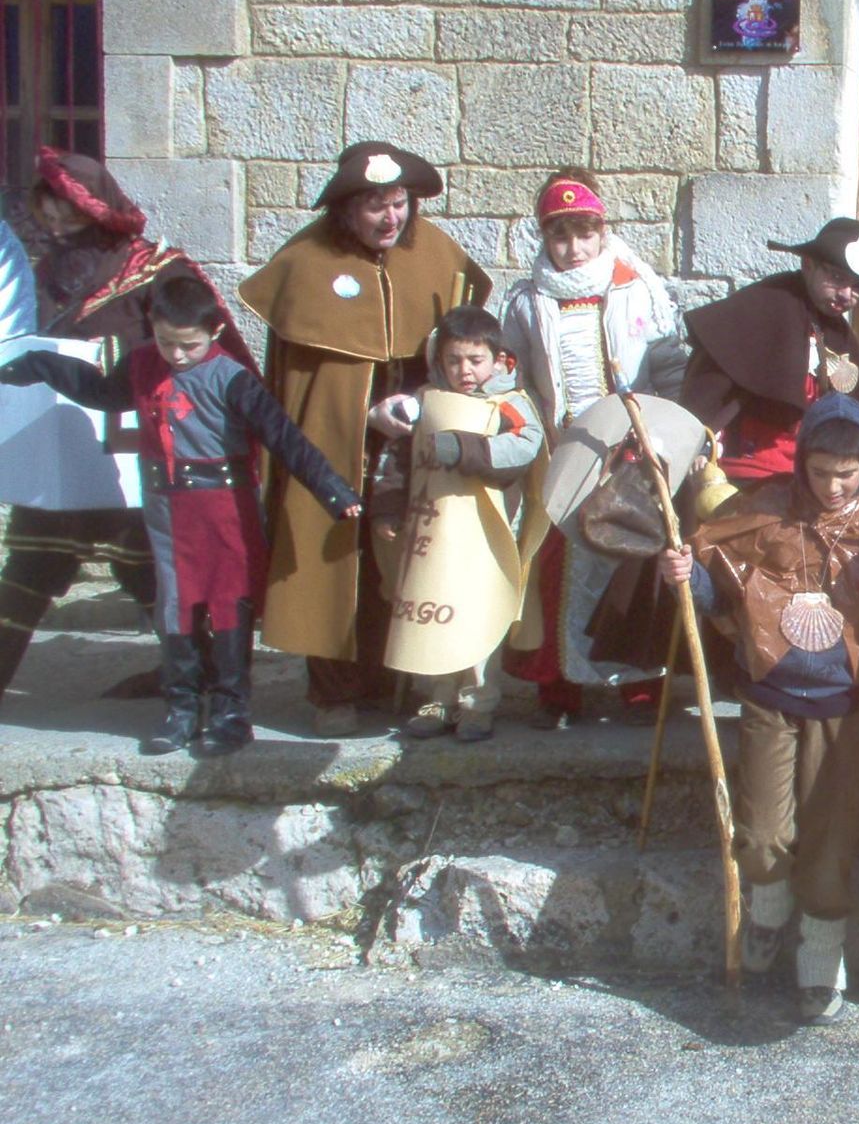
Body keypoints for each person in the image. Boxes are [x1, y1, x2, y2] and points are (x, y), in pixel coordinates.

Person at [0, 274, 361, 756]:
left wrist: (333, 490)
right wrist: (41, 364)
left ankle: (232, 713)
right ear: (154, 329)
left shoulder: (231, 378)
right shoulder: (142, 363)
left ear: (212, 332)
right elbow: (103, 394)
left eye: (188, 345)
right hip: (169, 512)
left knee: (228, 608)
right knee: (176, 610)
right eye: (167, 342)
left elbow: (283, 438)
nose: (177, 355)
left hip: (224, 512)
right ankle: (182, 710)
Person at [659, 395, 859, 1025]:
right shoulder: (761, 511)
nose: (833, 486)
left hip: (850, 704)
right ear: (802, 461)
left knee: (831, 844)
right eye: (821, 470)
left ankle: (820, 958)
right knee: (762, 832)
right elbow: (714, 583)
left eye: (848, 473)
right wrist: (684, 574)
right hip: (770, 694)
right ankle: (769, 909)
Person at [240, 141, 491, 736]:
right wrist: (362, 414)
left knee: (407, 555)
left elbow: (455, 343)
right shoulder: (306, 262)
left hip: (411, 444)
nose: (391, 218)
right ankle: (334, 690)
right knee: (334, 558)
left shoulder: (432, 253)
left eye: (399, 203)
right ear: (347, 209)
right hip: (334, 440)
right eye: (375, 205)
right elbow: (299, 385)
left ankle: (400, 679)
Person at [0, 149, 251, 702]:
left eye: (73, 215)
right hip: (59, 449)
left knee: (146, 571)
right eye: (51, 214)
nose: (60, 227)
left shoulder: (159, 272)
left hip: (135, 450)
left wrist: (110, 356)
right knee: (28, 566)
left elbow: (199, 349)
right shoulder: (45, 273)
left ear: (101, 211)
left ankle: (196, 674)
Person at [496, 168, 688, 730]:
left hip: (630, 452)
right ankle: (557, 691)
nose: (574, 248)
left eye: (585, 233)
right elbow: (513, 376)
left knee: (633, 563)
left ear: (603, 231)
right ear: (543, 237)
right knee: (556, 569)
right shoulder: (526, 301)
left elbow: (669, 365)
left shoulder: (638, 287)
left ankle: (637, 690)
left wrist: (666, 434)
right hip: (560, 454)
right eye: (560, 235)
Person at [370, 307, 544, 744]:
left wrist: (464, 449)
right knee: (436, 612)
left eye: (475, 360)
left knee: (477, 615)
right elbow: (400, 459)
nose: (464, 371)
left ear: (497, 359)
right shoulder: (426, 401)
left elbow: (523, 448)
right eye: (454, 361)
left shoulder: (510, 405)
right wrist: (389, 507)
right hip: (436, 531)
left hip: (486, 536)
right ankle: (438, 696)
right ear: (439, 360)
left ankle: (477, 702)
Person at [680, 217, 859, 487]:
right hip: (750, 474)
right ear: (808, 265)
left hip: (819, 479)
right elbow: (708, 394)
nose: (847, 295)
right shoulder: (762, 306)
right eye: (837, 278)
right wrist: (701, 447)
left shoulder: (838, 333)